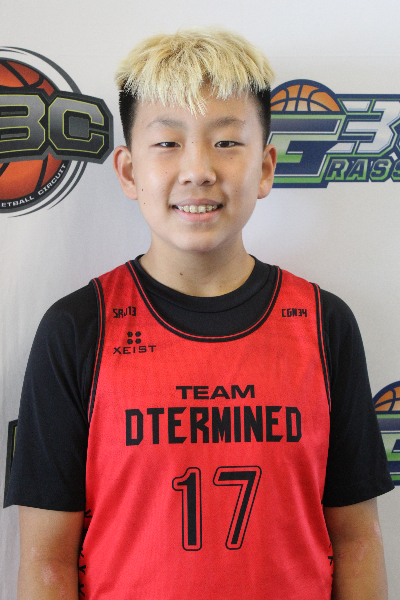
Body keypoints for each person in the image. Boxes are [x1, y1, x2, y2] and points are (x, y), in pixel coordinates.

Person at [6, 28, 393, 600]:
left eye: (226, 142)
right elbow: (46, 564)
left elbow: (357, 541)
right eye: (167, 143)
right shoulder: (78, 327)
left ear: (265, 167)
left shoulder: (323, 324)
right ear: (128, 171)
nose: (199, 169)